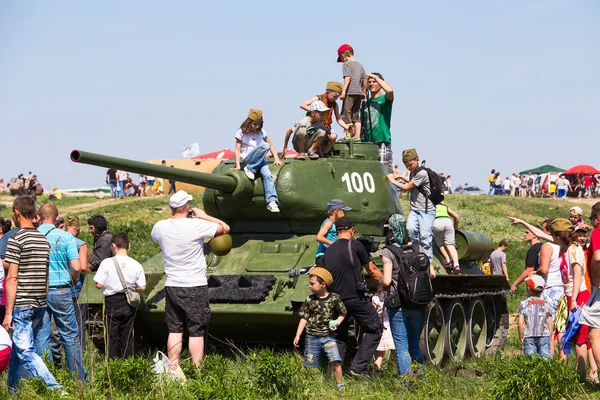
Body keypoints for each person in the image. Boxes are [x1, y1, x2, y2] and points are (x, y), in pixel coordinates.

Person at [151, 190, 230, 375]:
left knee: (175, 329)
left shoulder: (160, 227)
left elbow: (156, 240)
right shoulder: (197, 225)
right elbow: (225, 228)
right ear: (187, 207)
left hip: (172, 285)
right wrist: (203, 216)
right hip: (194, 284)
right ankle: (197, 370)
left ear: (171, 207)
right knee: (196, 330)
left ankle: (173, 369)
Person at [3, 196, 61, 392]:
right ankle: (13, 390)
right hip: (38, 304)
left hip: (21, 305)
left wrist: (9, 312)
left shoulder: (16, 239)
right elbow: (45, 277)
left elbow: (12, 278)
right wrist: (42, 306)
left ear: (17, 213)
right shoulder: (42, 241)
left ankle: (57, 390)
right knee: (17, 352)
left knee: (26, 352)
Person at [323, 216, 382, 378]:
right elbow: (372, 271)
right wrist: (385, 284)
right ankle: (359, 367)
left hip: (335, 300)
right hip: (355, 298)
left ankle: (335, 376)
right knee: (375, 327)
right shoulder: (355, 245)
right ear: (351, 230)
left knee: (340, 336)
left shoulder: (329, 251)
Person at [35, 204, 86, 382]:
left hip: (39, 290)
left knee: (42, 336)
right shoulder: (66, 237)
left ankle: (45, 378)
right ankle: (78, 378)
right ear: (57, 219)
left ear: (39, 218)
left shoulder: (33, 237)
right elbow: (77, 266)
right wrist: (73, 279)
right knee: (70, 335)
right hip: (61, 289)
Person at [381, 214, 435, 377]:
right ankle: (420, 379)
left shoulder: (387, 251)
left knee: (401, 347)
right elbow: (432, 274)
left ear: (390, 230)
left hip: (397, 304)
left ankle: (405, 384)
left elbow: (387, 280)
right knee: (414, 345)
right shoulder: (418, 248)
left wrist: (380, 285)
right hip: (417, 304)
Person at [293, 267, 346, 391]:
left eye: (312, 284)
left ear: (323, 284)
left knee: (336, 361)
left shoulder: (334, 299)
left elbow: (343, 312)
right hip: (312, 337)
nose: (310, 286)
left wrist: (338, 321)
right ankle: (303, 386)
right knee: (308, 363)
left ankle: (340, 386)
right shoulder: (309, 300)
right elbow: (304, 318)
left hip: (329, 337)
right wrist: (298, 335)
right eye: (309, 284)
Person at [95, 232, 146, 359]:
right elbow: (142, 287)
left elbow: (99, 285)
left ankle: (111, 363)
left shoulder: (106, 263)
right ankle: (127, 362)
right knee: (127, 334)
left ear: (113, 246)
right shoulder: (136, 264)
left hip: (111, 301)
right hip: (128, 302)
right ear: (129, 245)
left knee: (111, 335)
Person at [386, 148, 436, 261]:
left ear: (417, 160)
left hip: (426, 210)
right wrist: (401, 177)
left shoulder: (422, 173)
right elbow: (412, 182)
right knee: (411, 230)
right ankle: (418, 257)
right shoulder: (413, 172)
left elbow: (407, 187)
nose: (409, 167)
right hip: (415, 209)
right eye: (406, 165)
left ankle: (427, 263)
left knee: (425, 238)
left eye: (410, 164)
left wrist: (392, 180)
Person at [232, 109, 284, 212]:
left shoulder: (261, 132)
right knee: (265, 146)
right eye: (254, 124)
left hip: (259, 160)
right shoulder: (241, 132)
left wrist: (276, 158)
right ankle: (250, 168)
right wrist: (238, 165)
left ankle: (271, 201)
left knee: (268, 175)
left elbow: (271, 145)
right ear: (249, 122)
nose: (256, 126)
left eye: (259, 124)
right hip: (248, 158)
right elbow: (237, 149)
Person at [536, 219, 569, 357]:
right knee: (560, 328)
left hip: (549, 287)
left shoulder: (547, 247)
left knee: (548, 327)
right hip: (561, 288)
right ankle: (563, 361)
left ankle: (548, 360)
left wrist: (534, 273)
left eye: (544, 229)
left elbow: (544, 269)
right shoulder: (564, 246)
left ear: (550, 231)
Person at [581, 203, 600, 378]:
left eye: (593, 219)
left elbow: (598, 256)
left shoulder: (597, 232)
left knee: (594, 335)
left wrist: (596, 278)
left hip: (598, 289)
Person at [64, 216, 89, 349]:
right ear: (77, 227)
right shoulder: (81, 244)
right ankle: (80, 351)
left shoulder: (59, 240)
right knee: (79, 322)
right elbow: (83, 267)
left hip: (59, 287)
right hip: (77, 289)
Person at [361, 72, 394, 171]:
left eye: (374, 81)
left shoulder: (384, 99)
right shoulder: (365, 103)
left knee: (384, 171)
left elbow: (390, 91)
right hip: (368, 142)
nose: (371, 84)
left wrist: (374, 76)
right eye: (369, 82)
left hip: (382, 140)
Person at [336, 44, 367, 142]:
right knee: (356, 116)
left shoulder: (347, 64)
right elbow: (365, 79)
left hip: (350, 92)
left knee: (346, 114)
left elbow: (347, 77)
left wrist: (343, 91)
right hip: (358, 93)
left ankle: (347, 136)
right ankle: (357, 137)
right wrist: (364, 92)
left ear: (343, 55)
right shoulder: (360, 65)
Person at [517, 275, 553, 358]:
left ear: (529, 289)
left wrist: (521, 335)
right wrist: (550, 334)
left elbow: (520, 323)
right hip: (544, 335)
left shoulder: (524, 304)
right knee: (546, 358)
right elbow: (550, 322)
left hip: (529, 335)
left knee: (530, 359)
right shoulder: (547, 304)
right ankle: (546, 371)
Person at [315, 200, 351, 267]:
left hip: (331, 255)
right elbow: (319, 237)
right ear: (337, 211)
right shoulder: (328, 223)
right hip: (324, 256)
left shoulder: (334, 224)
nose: (345, 213)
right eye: (343, 210)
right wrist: (334, 244)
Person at [510, 228, 542, 293]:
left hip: (534, 285)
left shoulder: (533, 250)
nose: (524, 235)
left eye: (527, 232)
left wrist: (515, 284)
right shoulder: (543, 247)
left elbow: (529, 270)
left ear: (535, 235)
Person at [433, 201, 460, 274]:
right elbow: (456, 217)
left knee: (441, 244)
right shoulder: (444, 206)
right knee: (451, 245)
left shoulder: (431, 206)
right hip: (448, 222)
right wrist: (455, 229)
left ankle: (448, 261)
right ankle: (456, 265)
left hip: (437, 222)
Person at [372, 290, 395, 377]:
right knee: (395, 351)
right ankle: (400, 372)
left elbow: (373, 313)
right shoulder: (392, 299)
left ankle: (376, 374)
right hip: (390, 328)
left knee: (379, 354)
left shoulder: (375, 299)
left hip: (381, 328)